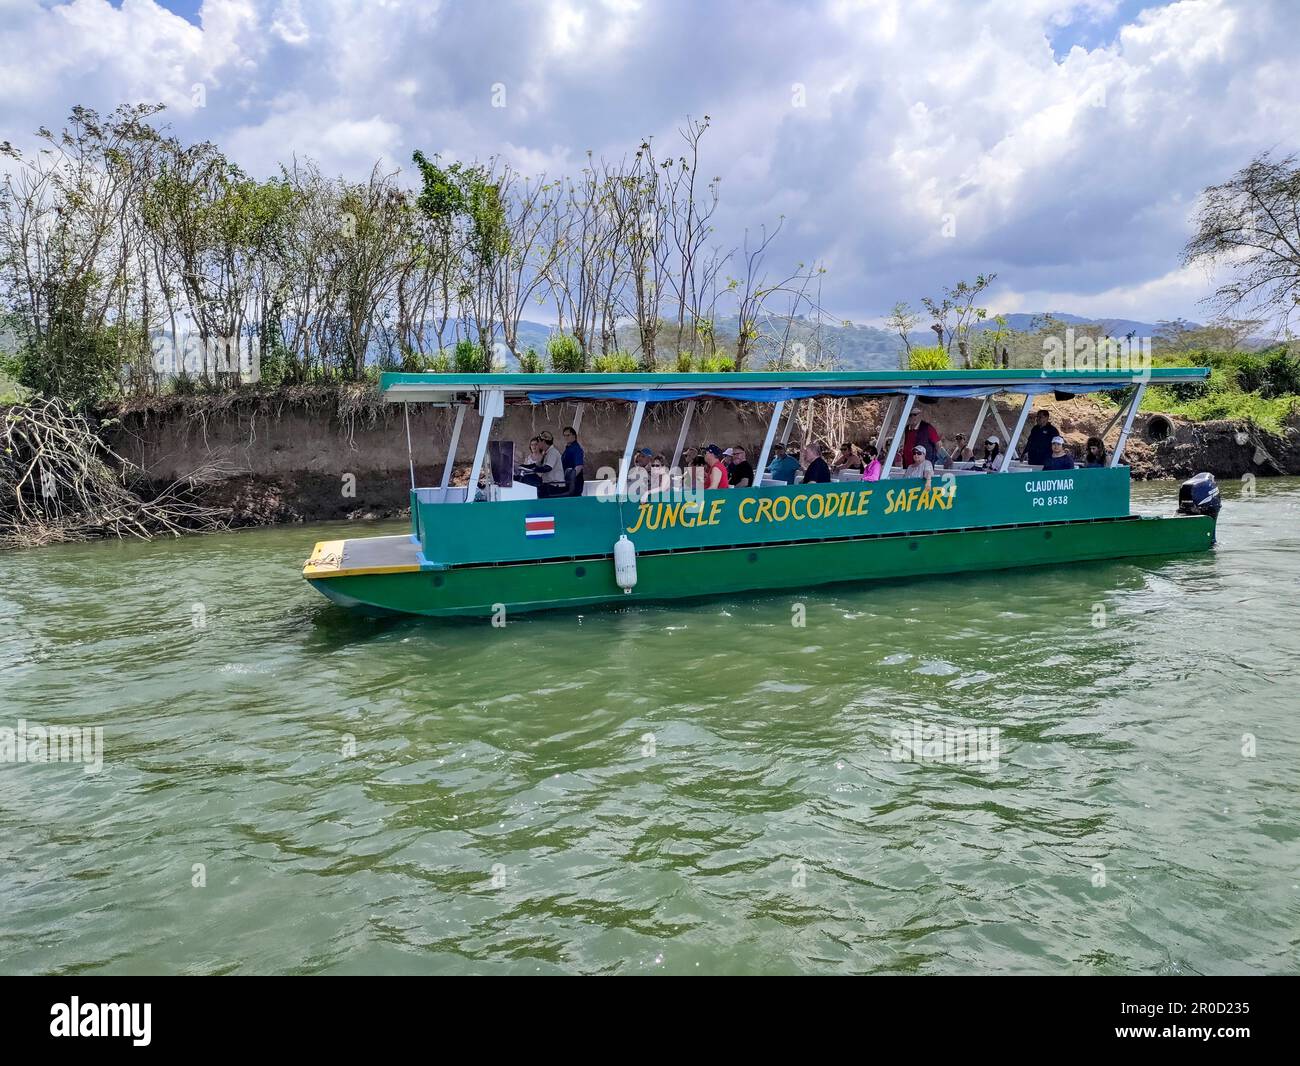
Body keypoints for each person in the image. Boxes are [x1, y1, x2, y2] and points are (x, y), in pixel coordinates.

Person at [561, 425, 585, 495]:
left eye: (568, 435)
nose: (566, 437)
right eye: (564, 435)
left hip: (574, 482)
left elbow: (579, 466)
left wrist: (570, 479)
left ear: (574, 435)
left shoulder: (576, 449)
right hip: (568, 482)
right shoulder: (568, 449)